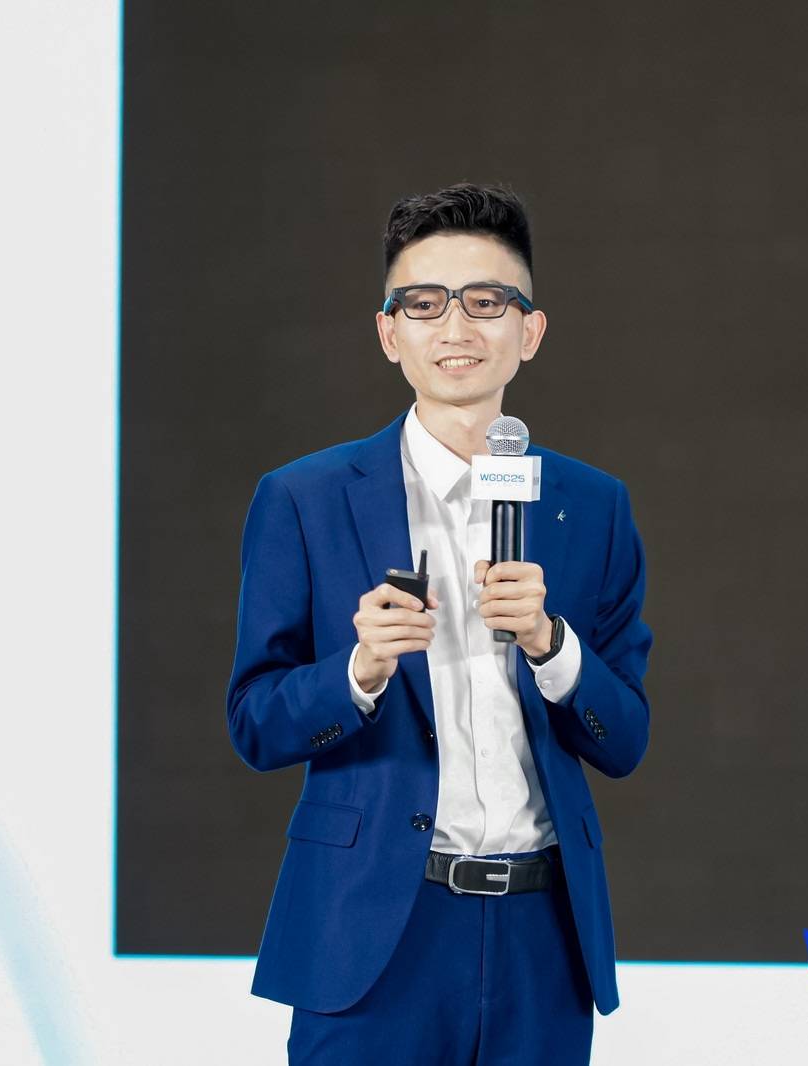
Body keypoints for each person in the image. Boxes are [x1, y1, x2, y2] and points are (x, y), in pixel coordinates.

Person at [226, 182, 652, 1066]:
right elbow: (256, 723)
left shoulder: (591, 505)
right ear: (390, 333)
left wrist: (553, 647)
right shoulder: (305, 499)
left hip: (543, 934)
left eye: (486, 302)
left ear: (530, 331)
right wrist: (358, 671)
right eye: (423, 304)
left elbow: (626, 738)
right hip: (374, 929)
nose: (455, 327)